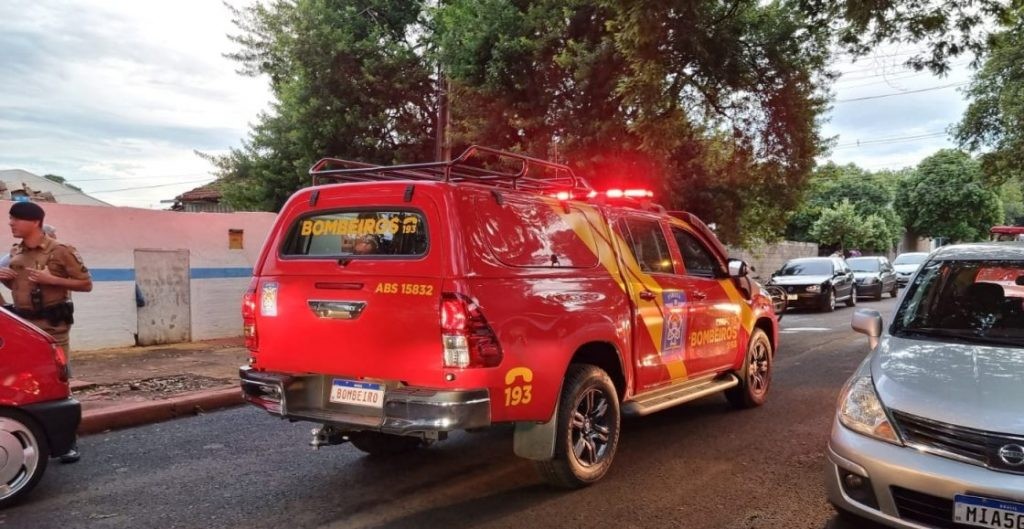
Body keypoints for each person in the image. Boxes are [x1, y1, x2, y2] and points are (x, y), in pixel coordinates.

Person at [0, 202, 91, 463]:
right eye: (10, 219)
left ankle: (68, 441)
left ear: (35, 222)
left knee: (58, 381)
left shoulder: (61, 251)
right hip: (24, 328)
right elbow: (20, 284)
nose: (11, 224)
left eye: (16, 219)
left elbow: (86, 284)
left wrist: (53, 281)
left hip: (52, 327)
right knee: (27, 381)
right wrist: (6, 279)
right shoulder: (15, 251)